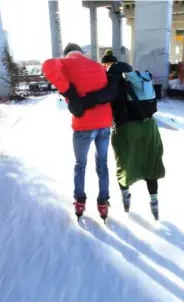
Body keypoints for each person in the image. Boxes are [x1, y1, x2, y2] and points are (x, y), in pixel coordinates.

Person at [84, 49, 165, 220]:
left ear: (106, 64)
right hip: (149, 127)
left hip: (126, 129)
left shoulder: (111, 79)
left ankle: (126, 199)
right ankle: (154, 202)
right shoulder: (132, 76)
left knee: (124, 164)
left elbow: (103, 100)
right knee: (150, 163)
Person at [42, 43, 113, 221]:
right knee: (103, 165)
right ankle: (103, 203)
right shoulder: (97, 66)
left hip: (83, 126)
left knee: (80, 165)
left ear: (67, 54)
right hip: (104, 124)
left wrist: (70, 93)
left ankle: (80, 201)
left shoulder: (65, 64)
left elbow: (48, 65)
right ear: (82, 53)